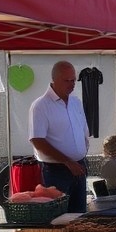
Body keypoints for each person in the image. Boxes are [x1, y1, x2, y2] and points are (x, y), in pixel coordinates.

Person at [28, 60, 89, 212]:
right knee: (58, 217)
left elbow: (83, 130)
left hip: (79, 165)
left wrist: (81, 155)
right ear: (54, 80)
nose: (71, 84)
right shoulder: (41, 105)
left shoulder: (76, 102)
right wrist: (67, 162)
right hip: (56, 170)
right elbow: (37, 140)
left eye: (73, 80)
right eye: (66, 80)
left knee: (79, 215)